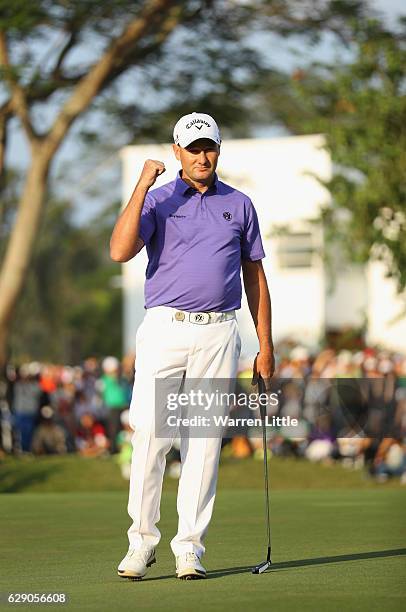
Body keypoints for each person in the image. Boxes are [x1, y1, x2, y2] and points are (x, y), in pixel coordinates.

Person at [110, 112, 275, 580]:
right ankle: (141, 543)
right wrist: (141, 185)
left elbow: (255, 279)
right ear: (177, 151)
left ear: (218, 150)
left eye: (211, 147)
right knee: (149, 435)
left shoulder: (239, 205)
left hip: (220, 332)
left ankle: (190, 547)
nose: (204, 156)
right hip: (165, 328)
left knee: (202, 444)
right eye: (194, 148)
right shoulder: (157, 199)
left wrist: (265, 345)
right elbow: (120, 251)